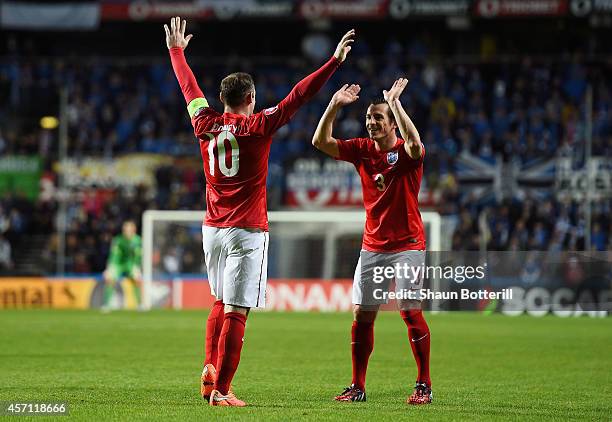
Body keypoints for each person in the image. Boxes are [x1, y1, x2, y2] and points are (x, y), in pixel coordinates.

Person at [164, 17, 354, 407]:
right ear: (250, 98)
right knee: (237, 309)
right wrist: (334, 60)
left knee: (218, 299)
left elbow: (188, 88)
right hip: (247, 230)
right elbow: (298, 96)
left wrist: (177, 51)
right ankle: (223, 390)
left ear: (222, 100)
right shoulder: (259, 125)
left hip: (212, 228)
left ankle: (208, 369)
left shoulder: (205, 122)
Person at [312, 79, 432, 405]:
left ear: (392, 122)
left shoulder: (405, 154)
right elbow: (320, 141)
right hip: (373, 247)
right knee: (362, 315)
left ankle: (424, 384)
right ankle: (357, 386)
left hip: (408, 244)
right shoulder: (362, 150)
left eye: (378, 117)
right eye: (368, 117)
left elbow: (416, 144)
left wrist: (394, 102)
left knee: (409, 310)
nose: (371, 122)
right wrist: (335, 104)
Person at [102, 220, 143, 310]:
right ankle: (106, 305)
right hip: (118, 264)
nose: (127, 231)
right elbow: (113, 255)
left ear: (134, 230)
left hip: (130, 263)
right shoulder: (118, 240)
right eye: (125, 229)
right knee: (109, 278)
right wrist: (109, 268)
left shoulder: (137, 240)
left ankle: (140, 304)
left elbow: (138, 256)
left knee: (137, 279)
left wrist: (137, 267)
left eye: (129, 229)